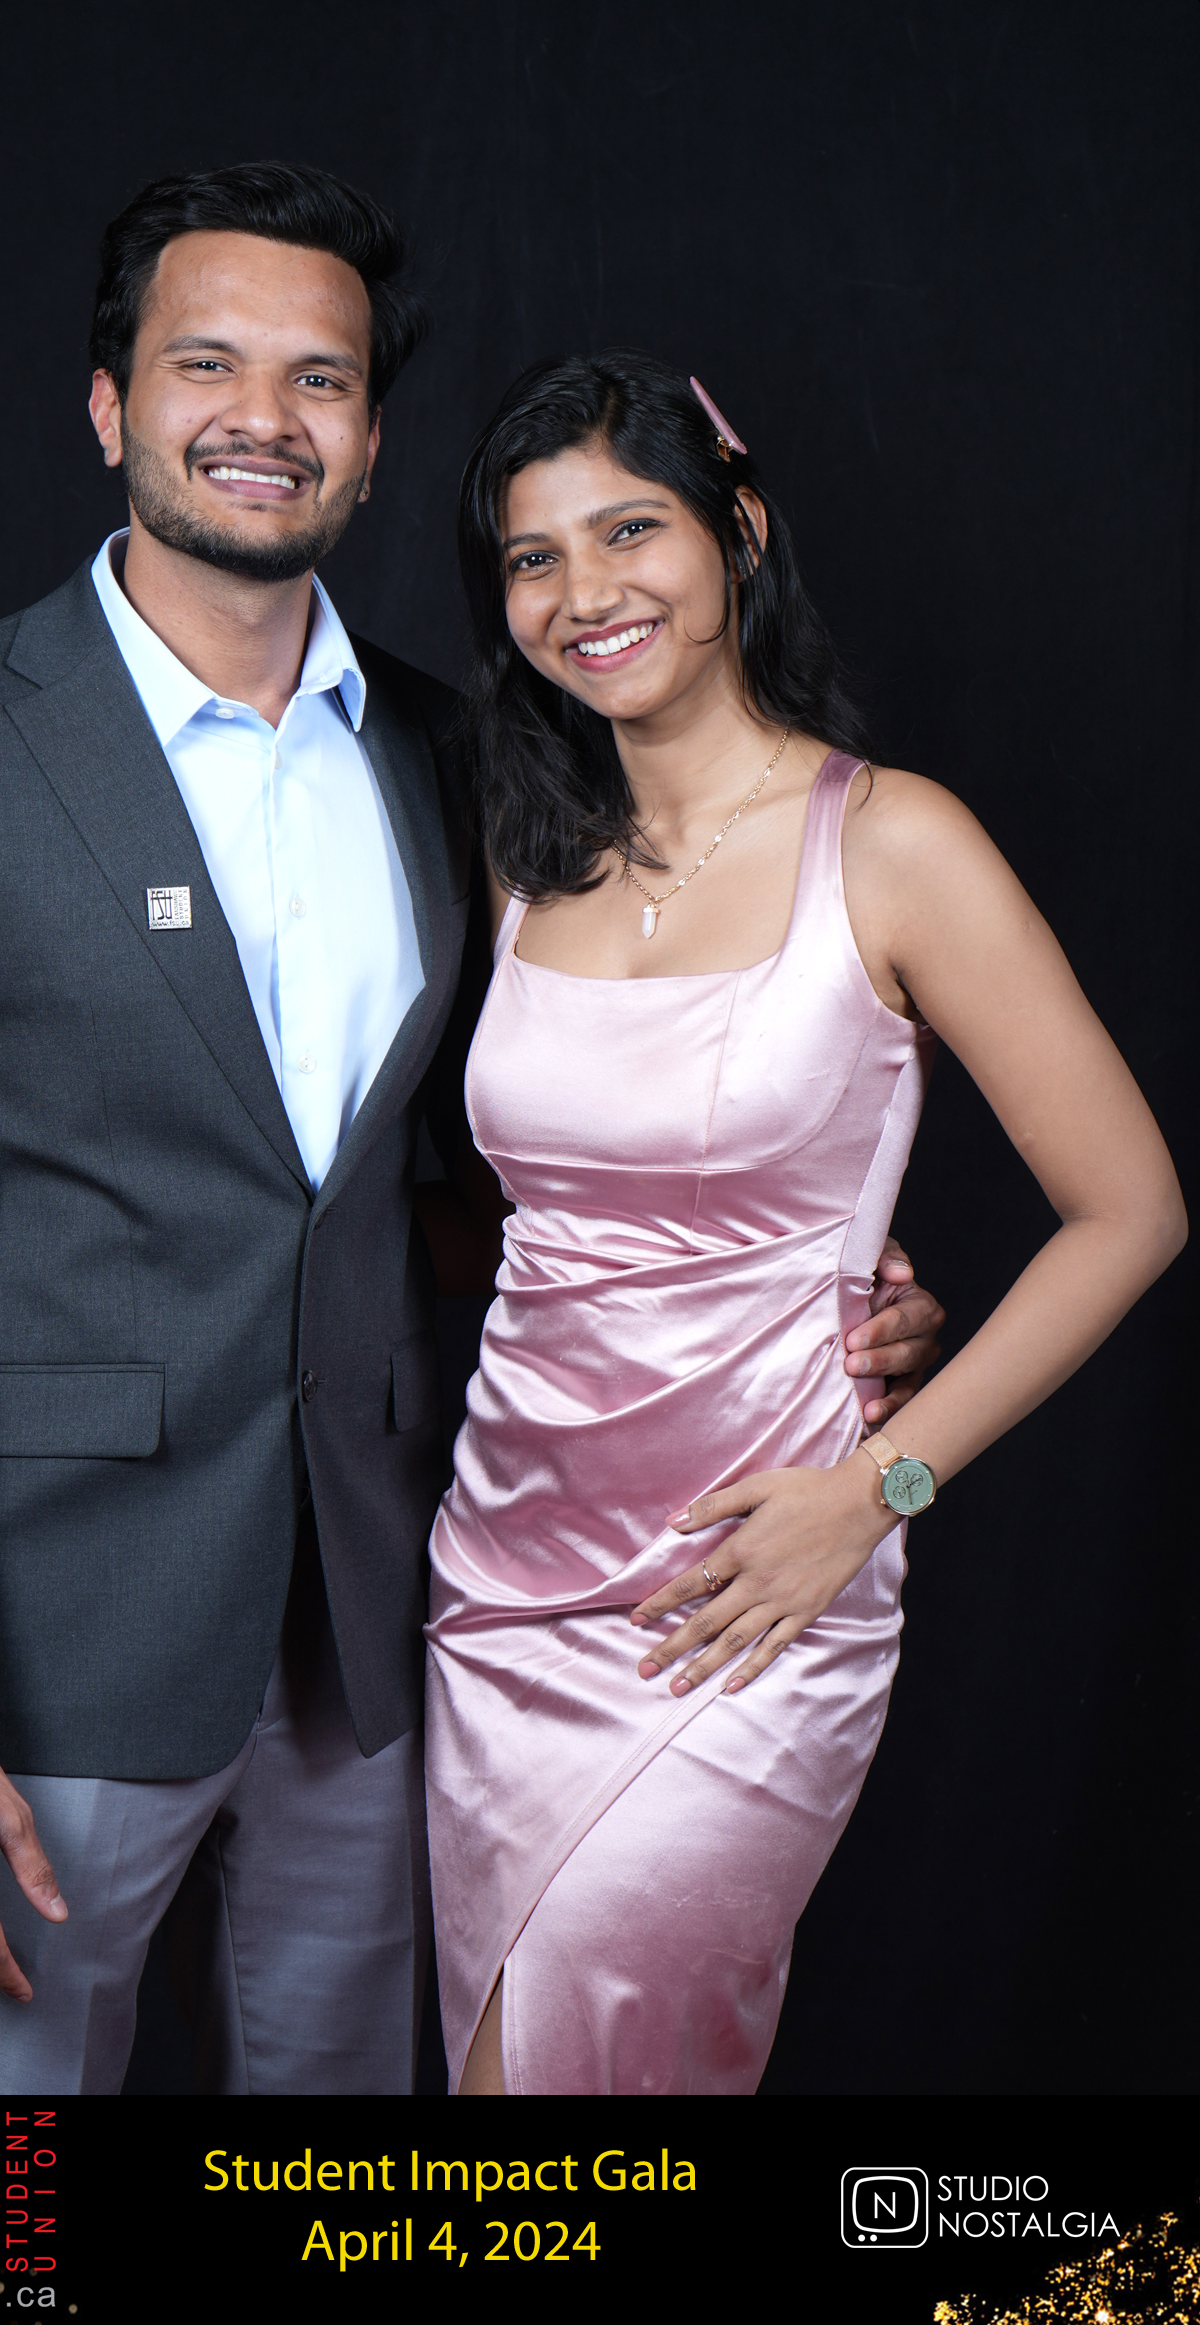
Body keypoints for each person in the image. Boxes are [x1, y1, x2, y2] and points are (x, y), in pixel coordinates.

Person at [0, 169, 945, 2099]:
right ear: (107, 405)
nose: (264, 416)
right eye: (205, 364)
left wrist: (807, 1284)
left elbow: (508, 1169)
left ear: (374, 440)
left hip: (398, 1639)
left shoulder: (461, 754)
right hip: (47, 1663)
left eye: (318, 378)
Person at [422, 350, 1185, 2098]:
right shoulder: (523, 849)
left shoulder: (895, 842)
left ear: (740, 529)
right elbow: (539, 1214)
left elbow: (1130, 1209)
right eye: (534, 556)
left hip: (756, 1584)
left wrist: (878, 1487)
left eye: (631, 529)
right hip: (503, 1575)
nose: (584, 590)